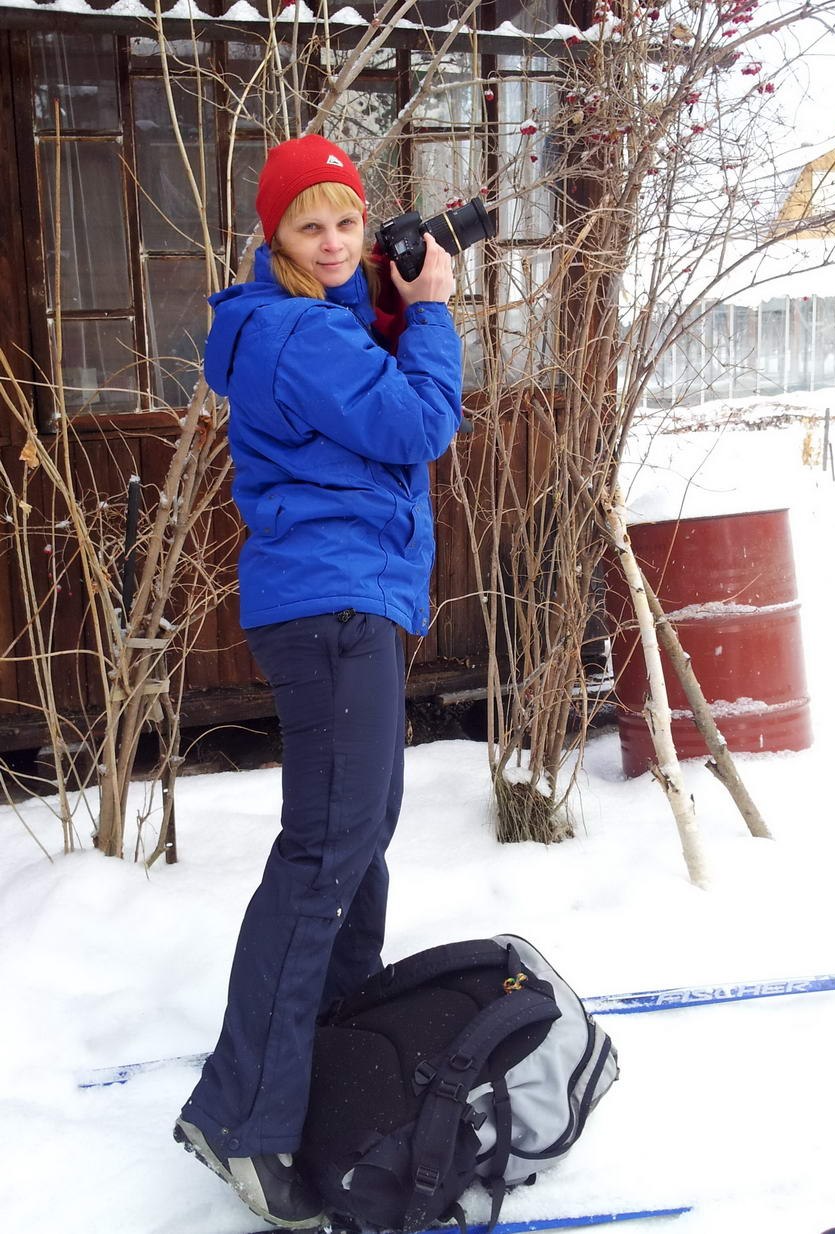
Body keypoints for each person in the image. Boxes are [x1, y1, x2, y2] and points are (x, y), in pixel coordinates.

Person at [173, 134, 462, 1228]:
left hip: (347, 600)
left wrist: (388, 298)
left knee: (358, 834)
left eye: (349, 222)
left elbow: (363, 377)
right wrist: (430, 311)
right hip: (333, 604)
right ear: (275, 235)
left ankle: (327, 1054)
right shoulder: (294, 331)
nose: (336, 242)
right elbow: (417, 422)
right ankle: (242, 1119)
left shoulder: (308, 321)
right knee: (326, 853)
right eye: (312, 225)